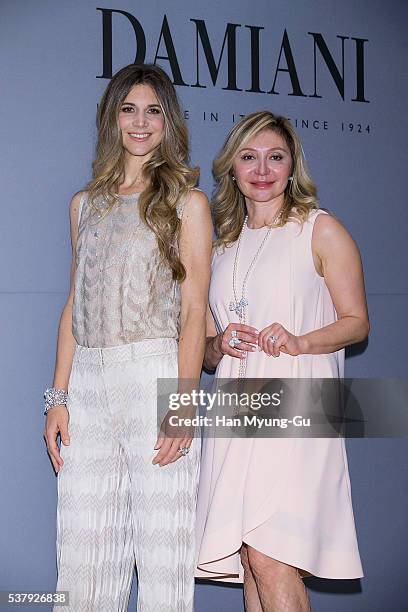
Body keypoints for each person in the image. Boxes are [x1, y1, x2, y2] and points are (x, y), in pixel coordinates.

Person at [43, 63, 212, 612]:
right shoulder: (83, 204)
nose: (141, 123)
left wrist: (182, 402)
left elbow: (192, 313)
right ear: (112, 118)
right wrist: (58, 397)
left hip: (155, 372)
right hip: (89, 379)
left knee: (164, 551)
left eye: (154, 110)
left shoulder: (188, 203)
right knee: (83, 547)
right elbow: (75, 304)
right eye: (129, 108)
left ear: (170, 121)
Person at [195, 111, 369, 611]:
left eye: (276, 156)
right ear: (232, 167)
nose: (263, 168)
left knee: (273, 557)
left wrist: (300, 341)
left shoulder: (320, 229)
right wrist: (220, 342)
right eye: (249, 157)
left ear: (293, 166)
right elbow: (207, 351)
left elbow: (356, 321)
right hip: (237, 416)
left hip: (298, 413)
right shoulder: (222, 247)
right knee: (251, 560)